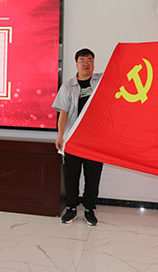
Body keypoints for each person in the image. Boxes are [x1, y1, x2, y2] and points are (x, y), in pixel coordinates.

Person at [53, 48, 104, 226]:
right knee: (71, 176)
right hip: (73, 139)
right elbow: (63, 113)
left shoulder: (101, 81)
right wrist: (60, 136)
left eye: (89, 60)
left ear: (94, 63)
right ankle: (71, 207)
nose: (86, 64)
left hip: (95, 140)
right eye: (82, 60)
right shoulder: (68, 86)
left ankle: (90, 209)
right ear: (76, 64)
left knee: (93, 177)